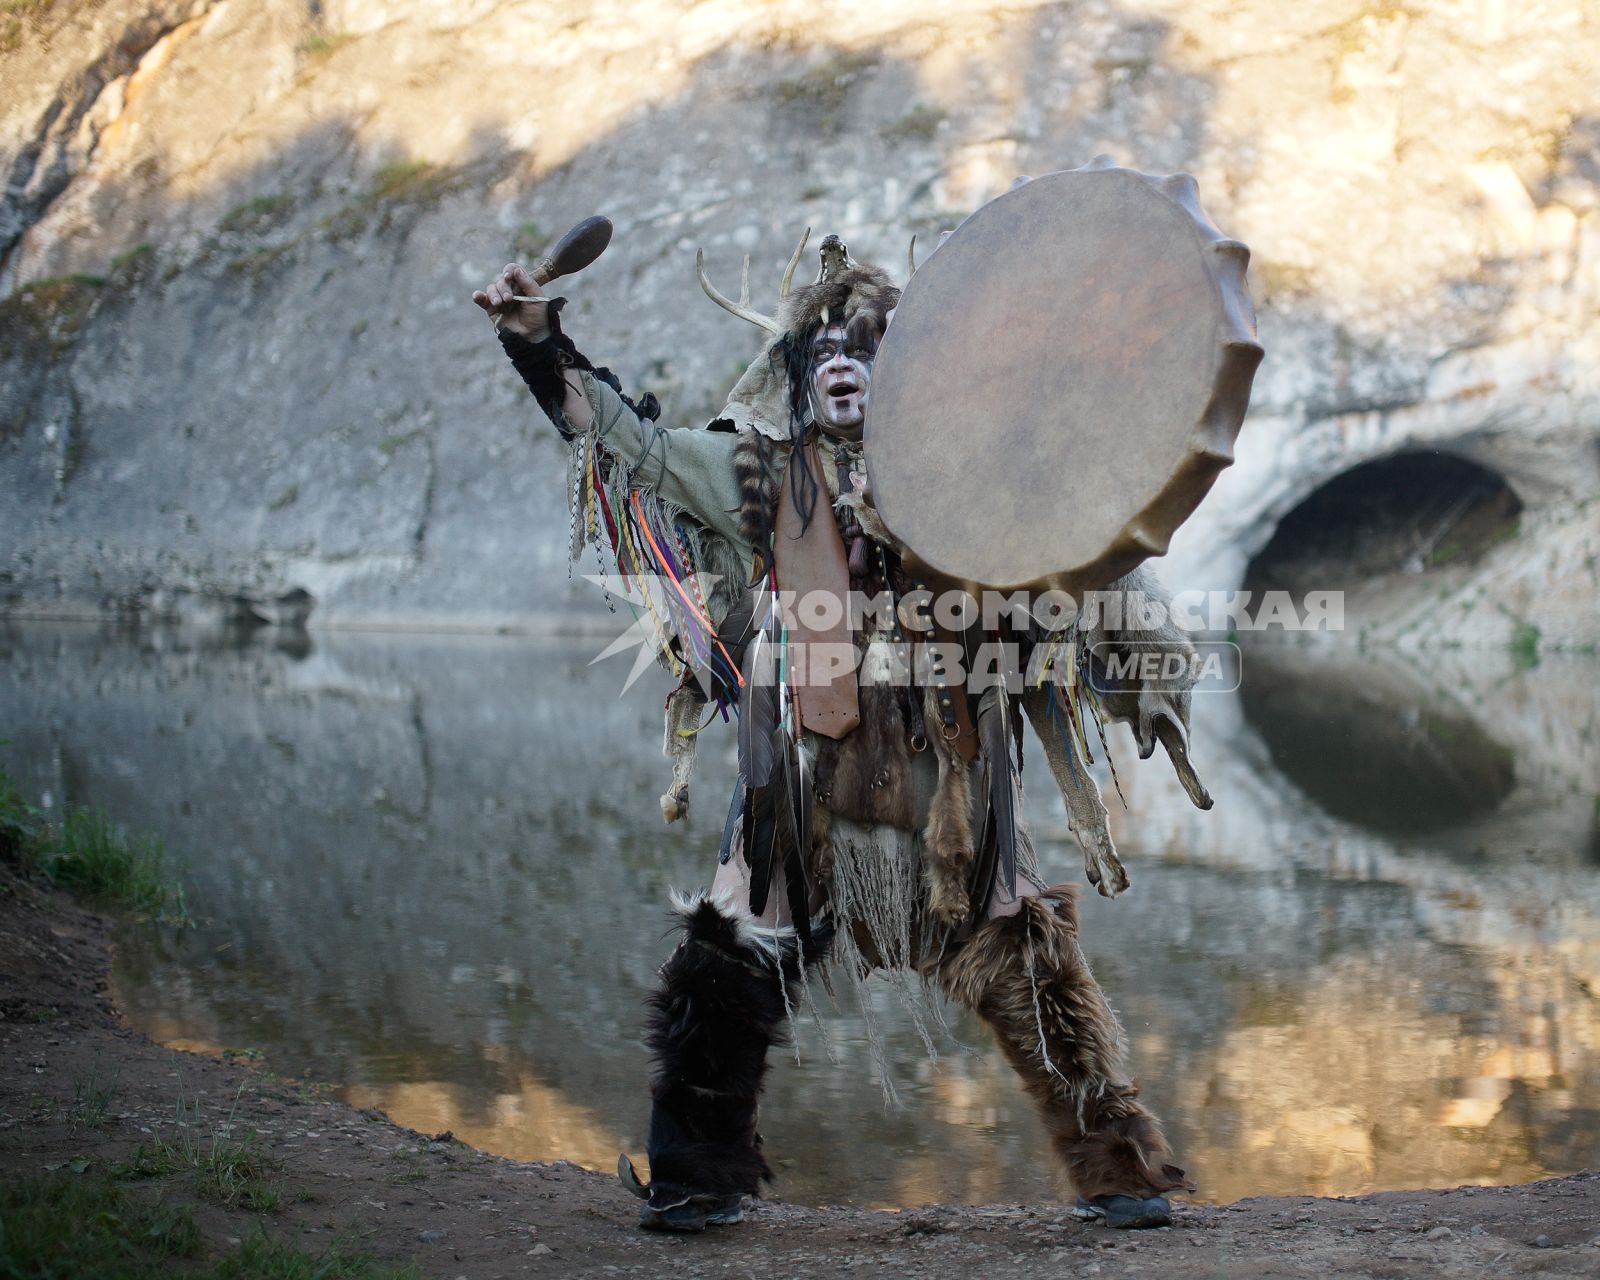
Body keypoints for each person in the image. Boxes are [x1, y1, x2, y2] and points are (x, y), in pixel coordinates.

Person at [472, 234, 1206, 1232]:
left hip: (951, 780)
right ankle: (696, 1174)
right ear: (797, 374)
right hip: (803, 786)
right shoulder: (756, 474)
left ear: (905, 367)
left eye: (866, 342)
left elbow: (1092, 545)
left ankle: (1119, 1168)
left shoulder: (980, 473)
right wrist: (535, 340)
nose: (843, 359)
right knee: (725, 963)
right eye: (822, 346)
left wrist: (1151, 668)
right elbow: (625, 442)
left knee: (1032, 966)